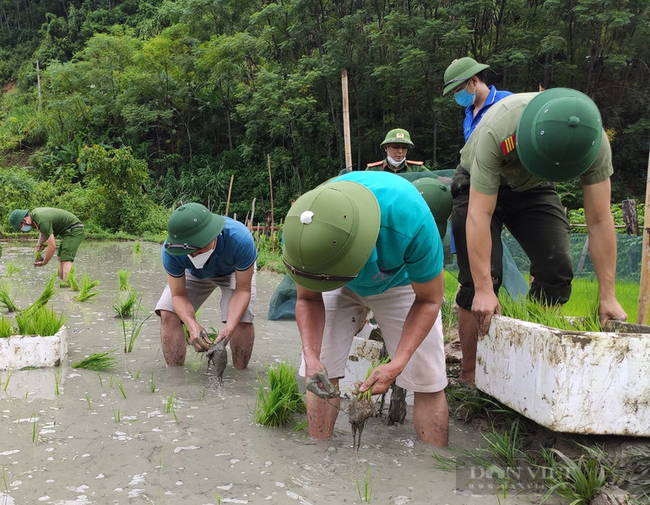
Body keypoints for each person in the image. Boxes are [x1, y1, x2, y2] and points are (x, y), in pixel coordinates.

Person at [449, 87, 628, 385]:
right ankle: (471, 375)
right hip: (477, 182)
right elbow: (479, 215)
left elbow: (599, 220)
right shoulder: (499, 128)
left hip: (534, 187)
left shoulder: (592, 142)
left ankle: (528, 364)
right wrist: (483, 288)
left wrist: (608, 296)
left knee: (556, 267)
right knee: (479, 281)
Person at [282, 171, 449, 446]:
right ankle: (317, 457)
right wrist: (311, 356)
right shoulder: (302, 233)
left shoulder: (408, 217)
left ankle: (433, 468)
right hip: (331, 276)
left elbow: (430, 299)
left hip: (402, 281)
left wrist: (396, 365)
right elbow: (308, 299)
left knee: (427, 378)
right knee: (322, 369)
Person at [155, 202, 256, 369]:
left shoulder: (240, 239)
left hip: (232, 270)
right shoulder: (171, 251)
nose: (194, 254)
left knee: (242, 318)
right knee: (167, 312)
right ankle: (175, 376)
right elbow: (178, 295)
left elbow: (243, 290)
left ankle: (240, 376)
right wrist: (191, 323)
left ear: (213, 236)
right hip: (193, 272)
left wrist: (229, 328)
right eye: (189, 251)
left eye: (199, 248)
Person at [443, 57, 513, 142]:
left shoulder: (507, 101)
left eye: (459, 90)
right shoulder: (468, 116)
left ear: (474, 80)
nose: (457, 96)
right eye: (454, 93)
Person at [9, 207, 85, 282]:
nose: (22, 228)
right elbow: (42, 231)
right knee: (60, 257)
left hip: (74, 229)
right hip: (67, 232)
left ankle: (67, 285)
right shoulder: (35, 215)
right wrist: (40, 243)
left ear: (24, 220)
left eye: (21, 226)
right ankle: (63, 281)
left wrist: (44, 262)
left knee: (66, 258)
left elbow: (52, 246)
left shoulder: (42, 220)